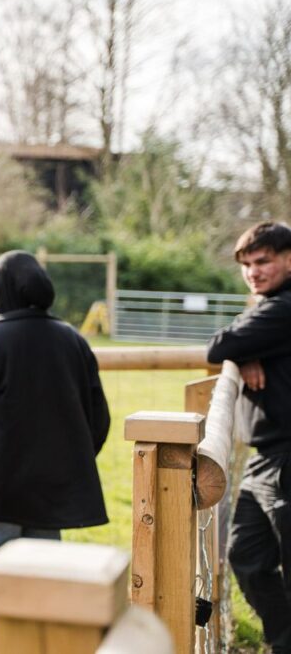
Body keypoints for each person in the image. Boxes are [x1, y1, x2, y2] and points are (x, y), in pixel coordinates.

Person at [0, 250, 110, 654]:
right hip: (53, 494)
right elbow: (98, 420)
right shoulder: (73, 341)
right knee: (42, 581)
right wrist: (67, 465)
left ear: (0, 292)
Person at [207, 221, 291, 653]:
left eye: (264, 261)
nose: (254, 272)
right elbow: (236, 336)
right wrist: (248, 347)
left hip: (287, 457)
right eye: (246, 265)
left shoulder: (283, 308)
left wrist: (241, 344)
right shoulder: (269, 307)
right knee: (247, 557)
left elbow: (217, 344)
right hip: (266, 457)